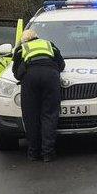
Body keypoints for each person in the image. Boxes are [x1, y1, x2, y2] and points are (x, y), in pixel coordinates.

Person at [12, 29, 65, 162]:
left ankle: (33, 153)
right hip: (50, 76)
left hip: (30, 78)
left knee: (31, 116)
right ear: (37, 37)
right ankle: (48, 153)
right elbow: (62, 65)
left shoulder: (20, 49)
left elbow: (17, 73)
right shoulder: (49, 45)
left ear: (24, 40)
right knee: (49, 115)